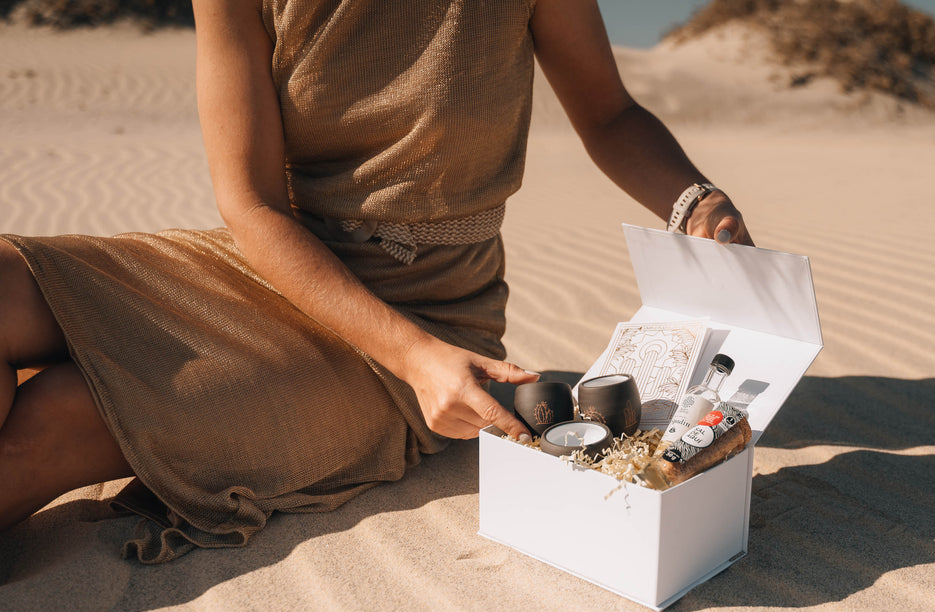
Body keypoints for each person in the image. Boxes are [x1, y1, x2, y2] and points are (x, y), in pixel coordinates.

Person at [0, 0, 752, 562]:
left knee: (56, 418)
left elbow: (609, 113)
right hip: (277, 264)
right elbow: (253, 206)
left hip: (432, 315)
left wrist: (693, 200)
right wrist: (413, 357)